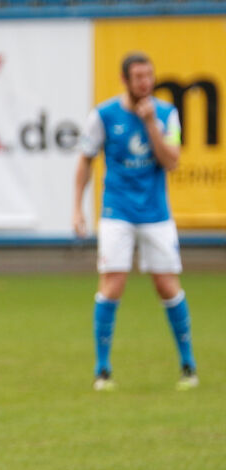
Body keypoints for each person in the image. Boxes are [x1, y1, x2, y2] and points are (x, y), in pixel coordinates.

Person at [74, 51, 198, 391]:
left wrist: (149, 125)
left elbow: (171, 161)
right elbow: (85, 162)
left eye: (149, 76)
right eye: (139, 77)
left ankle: (188, 364)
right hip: (117, 212)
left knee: (166, 285)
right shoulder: (102, 116)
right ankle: (102, 369)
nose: (146, 82)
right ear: (125, 80)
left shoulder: (167, 114)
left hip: (156, 213)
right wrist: (77, 209)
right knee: (112, 285)